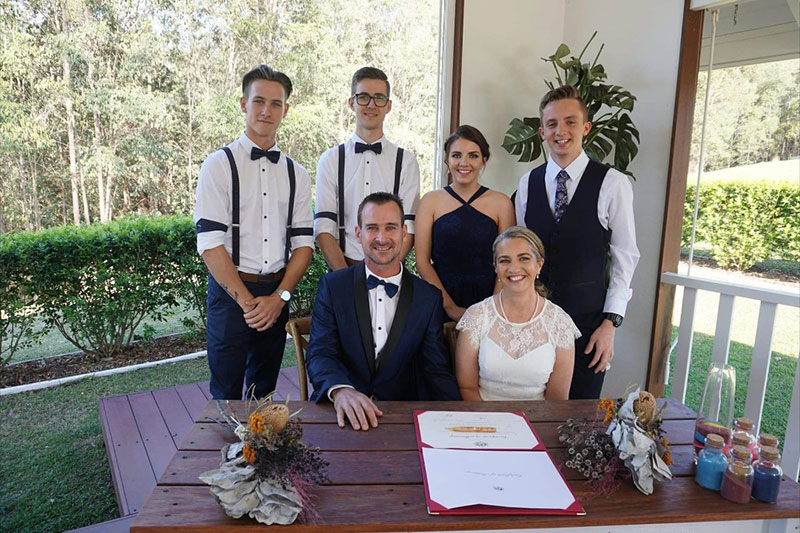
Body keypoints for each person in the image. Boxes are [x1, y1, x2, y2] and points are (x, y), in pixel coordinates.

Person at [193, 65, 313, 400]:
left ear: (285, 110)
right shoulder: (218, 165)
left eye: (276, 104)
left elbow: (304, 245)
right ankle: (230, 453)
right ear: (244, 104)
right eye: (259, 101)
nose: (266, 110)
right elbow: (210, 245)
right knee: (226, 392)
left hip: (277, 292)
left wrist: (280, 298)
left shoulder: (297, 173)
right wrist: (247, 303)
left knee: (265, 390)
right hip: (231, 295)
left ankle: (263, 452)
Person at [514, 85, 639, 399]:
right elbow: (520, 256)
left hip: (588, 328)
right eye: (553, 124)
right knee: (531, 413)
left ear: (586, 127)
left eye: (570, 122)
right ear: (542, 132)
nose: (561, 131)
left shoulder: (613, 183)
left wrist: (610, 323)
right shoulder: (527, 183)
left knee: (580, 421)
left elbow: (625, 257)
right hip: (534, 324)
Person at [305, 192, 461, 430]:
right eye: (372, 228)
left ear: (403, 233)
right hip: (341, 415)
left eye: (390, 227)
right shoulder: (334, 287)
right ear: (358, 233)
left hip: (401, 419)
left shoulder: (427, 297)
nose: (381, 238)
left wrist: (460, 418)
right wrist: (340, 390)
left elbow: (435, 370)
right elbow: (320, 352)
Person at [314, 67, 420, 270]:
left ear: (388, 106)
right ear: (351, 102)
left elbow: (409, 227)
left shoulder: (405, 161)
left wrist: (387, 272)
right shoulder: (330, 160)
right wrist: (346, 278)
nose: (371, 104)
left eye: (379, 98)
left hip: (391, 273)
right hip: (342, 269)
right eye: (364, 97)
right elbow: (324, 227)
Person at [455, 227, 579, 401]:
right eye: (504, 261)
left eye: (524, 259)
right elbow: (467, 387)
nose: (514, 268)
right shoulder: (476, 316)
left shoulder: (560, 323)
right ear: (495, 268)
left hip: (538, 422)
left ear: (539, 264)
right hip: (484, 420)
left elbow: (557, 398)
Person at [415, 125, 515, 322]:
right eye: (456, 155)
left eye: (473, 156)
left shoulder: (502, 203)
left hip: (492, 305)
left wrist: (492, 308)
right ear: (447, 160)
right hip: (440, 301)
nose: (464, 162)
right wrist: (450, 307)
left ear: (484, 160)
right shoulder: (430, 201)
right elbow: (422, 261)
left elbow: (507, 260)